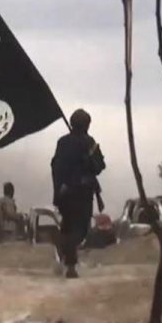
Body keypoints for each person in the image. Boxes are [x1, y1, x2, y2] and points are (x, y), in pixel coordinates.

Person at [51, 109, 106, 278]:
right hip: (81, 193)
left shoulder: (63, 142)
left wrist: (59, 189)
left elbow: (55, 167)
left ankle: (66, 256)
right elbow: (99, 166)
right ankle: (70, 263)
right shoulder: (88, 143)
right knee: (79, 230)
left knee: (68, 227)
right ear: (86, 125)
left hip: (66, 194)